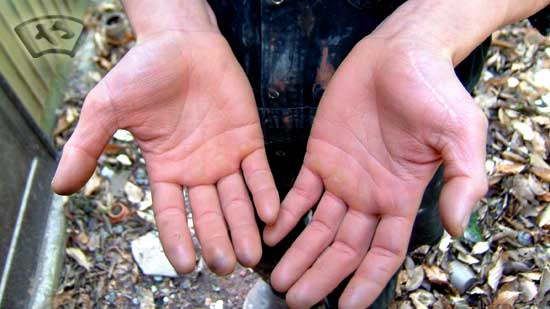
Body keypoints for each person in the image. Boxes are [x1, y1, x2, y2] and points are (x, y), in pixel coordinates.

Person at [52, 1, 549, 307]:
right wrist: (172, 17)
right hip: (225, 110)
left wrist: (430, 26)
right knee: (265, 232)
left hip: (394, 134)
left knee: (367, 246)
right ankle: (280, 288)